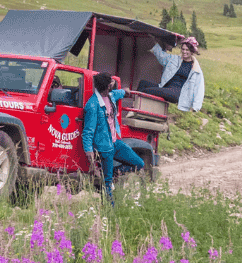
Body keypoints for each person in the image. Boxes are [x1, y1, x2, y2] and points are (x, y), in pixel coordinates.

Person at [81, 71, 145, 202]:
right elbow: (87, 133)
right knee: (107, 184)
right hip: (104, 148)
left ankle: (115, 172)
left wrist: (126, 91)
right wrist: (92, 163)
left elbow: (121, 92)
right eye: (111, 82)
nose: (113, 83)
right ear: (107, 86)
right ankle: (110, 210)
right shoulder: (92, 106)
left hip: (115, 143)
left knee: (139, 163)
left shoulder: (110, 96)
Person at [137, 36, 205, 111]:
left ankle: (140, 110)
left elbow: (199, 89)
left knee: (146, 91)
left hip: (178, 93)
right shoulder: (174, 59)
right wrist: (155, 41)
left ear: (192, 51)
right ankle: (135, 107)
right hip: (165, 87)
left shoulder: (196, 69)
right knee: (142, 83)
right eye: (183, 49)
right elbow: (161, 56)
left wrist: (196, 107)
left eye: (187, 50)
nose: (184, 52)